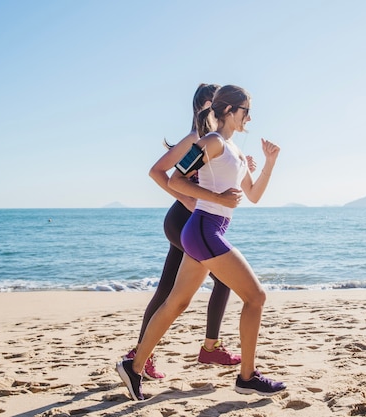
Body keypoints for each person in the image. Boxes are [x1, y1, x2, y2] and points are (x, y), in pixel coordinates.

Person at [116, 85, 286, 400]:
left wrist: (269, 163)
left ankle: (134, 366)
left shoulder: (233, 150)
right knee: (256, 297)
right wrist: (216, 197)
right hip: (204, 229)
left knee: (176, 303)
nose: (249, 116)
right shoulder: (210, 142)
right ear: (230, 110)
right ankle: (247, 377)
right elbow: (175, 179)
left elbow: (254, 195)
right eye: (246, 109)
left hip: (208, 231)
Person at [123, 83, 245, 380]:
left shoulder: (216, 142)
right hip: (182, 221)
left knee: (168, 289)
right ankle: (208, 347)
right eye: (212, 101)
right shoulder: (196, 139)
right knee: (222, 280)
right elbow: (158, 172)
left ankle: (141, 354)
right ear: (204, 105)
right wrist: (188, 199)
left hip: (192, 223)